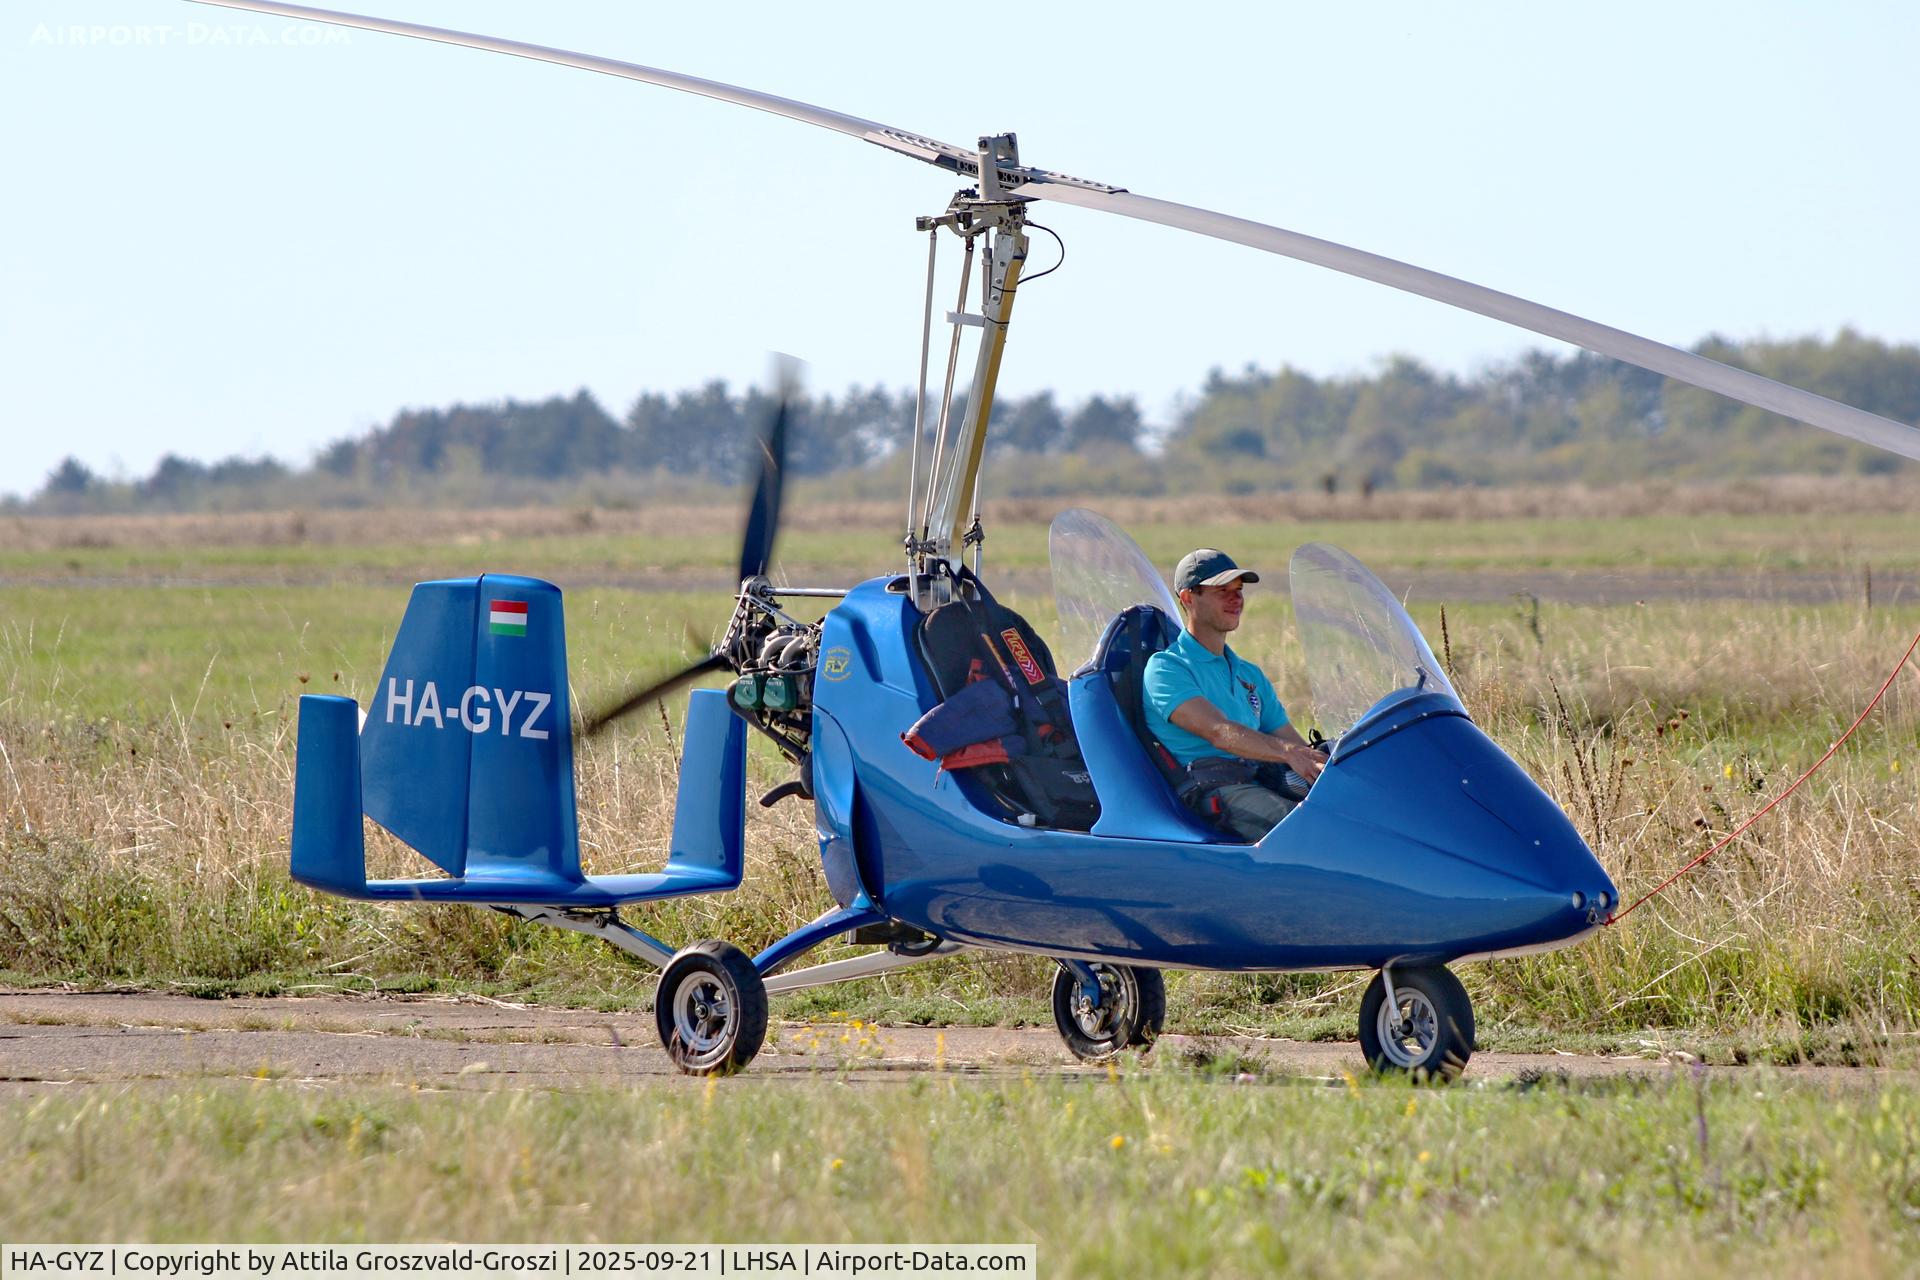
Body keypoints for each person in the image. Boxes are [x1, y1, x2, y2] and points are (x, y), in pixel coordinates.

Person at [1143, 548, 1327, 841]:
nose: (1236, 599)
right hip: (1214, 790)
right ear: (1189, 598)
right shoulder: (1167, 668)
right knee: (1308, 830)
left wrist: (1330, 761)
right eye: (1222, 591)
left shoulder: (1249, 675)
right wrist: (1288, 753)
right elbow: (1218, 732)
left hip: (1260, 780)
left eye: (1238, 590)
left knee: (1346, 809)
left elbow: (1292, 742)